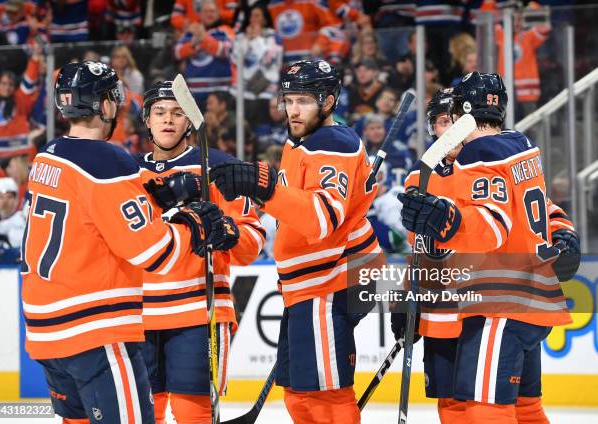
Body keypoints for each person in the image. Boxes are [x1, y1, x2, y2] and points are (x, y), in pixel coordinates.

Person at [21, 61, 234, 424]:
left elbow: (94, 215)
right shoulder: (109, 160)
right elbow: (154, 252)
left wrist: (162, 196)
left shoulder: (47, 156)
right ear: (105, 105)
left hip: (47, 332)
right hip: (94, 331)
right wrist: (194, 227)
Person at [396, 72, 580, 423]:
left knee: (484, 407)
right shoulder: (512, 144)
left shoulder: (481, 155)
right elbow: (421, 249)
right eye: (440, 121)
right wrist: (407, 298)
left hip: (494, 298)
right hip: (460, 308)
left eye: (453, 119)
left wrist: (563, 233)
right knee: (478, 406)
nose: (448, 128)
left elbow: (499, 221)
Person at [210, 59, 382, 424]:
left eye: (304, 100)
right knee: (302, 395)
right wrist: (261, 189)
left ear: (329, 100)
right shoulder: (302, 141)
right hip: (309, 285)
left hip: (330, 283)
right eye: (289, 100)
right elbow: (293, 203)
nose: (293, 110)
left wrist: (265, 186)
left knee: (326, 398)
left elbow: (322, 218)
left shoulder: (333, 143)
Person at [135, 81, 265, 424]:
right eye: (159, 113)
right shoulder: (126, 174)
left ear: (190, 121)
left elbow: (252, 240)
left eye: (177, 113)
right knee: (141, 414)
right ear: (146, 120)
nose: (167, 120)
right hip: (136, 316)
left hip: (198, 313)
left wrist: (226, 232)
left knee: (195, 414)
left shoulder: (218, 167)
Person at [0, 177, 24, 263]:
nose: (5, 201)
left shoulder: (22, 221)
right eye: (1, 197)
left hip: (13, 271)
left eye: (9, 197)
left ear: (16, 199)